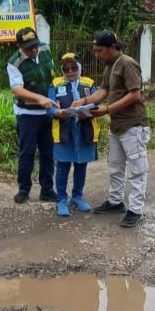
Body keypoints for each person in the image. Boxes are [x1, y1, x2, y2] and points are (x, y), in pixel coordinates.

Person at [78, 30, 151, 228]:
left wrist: (107, 109)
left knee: (137, 170)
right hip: (117, 125)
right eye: (95, 51)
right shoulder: (110, 65)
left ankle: (135, 210)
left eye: (99, 51)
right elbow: (104, 91)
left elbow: (135, 95)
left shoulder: (127, 63)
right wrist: (82, 102)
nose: (97, 55)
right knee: (115, 166)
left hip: (133, 125)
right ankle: (115, 201)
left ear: (112, 47)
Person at [6, 27, 58, 204]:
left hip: (48, 112)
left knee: (48, 152)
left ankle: (47, 189)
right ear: (19, 47)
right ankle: (24, 189)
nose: (34, 50)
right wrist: (39, 98)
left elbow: (53, 78)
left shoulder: (45, 50)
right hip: (27, 114)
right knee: (27, 153)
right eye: (29, 48)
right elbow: (18, 91)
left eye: (35, 46)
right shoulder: (14, 64)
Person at [48, 53, 99, 217]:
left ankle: (77, 197)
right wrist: (57, 112)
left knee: (81, 164)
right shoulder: (55, 84)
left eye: (73, 68)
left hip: (84, 130)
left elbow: (97, 104)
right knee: (62, 166)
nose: (70, 72)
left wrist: (89, 112)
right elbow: (49, 108)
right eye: (66, 69)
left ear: (79, 67)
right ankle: (61, 200)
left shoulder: (89, 84)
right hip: (64, 130)